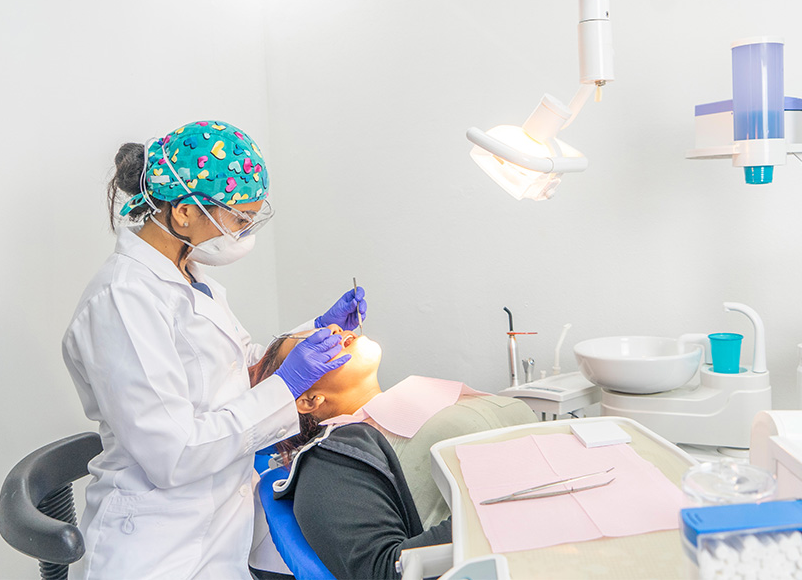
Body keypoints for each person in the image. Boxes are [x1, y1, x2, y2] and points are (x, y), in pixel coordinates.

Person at [62, 121, 367, 579]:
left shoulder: (189, 277)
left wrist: (312, 333)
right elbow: (174, 454)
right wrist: (286, 384)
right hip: (159, 545)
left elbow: (233, 367)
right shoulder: (122, 301)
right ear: (184, 212)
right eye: (240, 219)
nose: (245, 233)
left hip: (220, 522)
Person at [247, 326, 537, 579]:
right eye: (312, 346)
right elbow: (387, 569)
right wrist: (516, 511)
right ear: (309, 400)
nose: (333, 331)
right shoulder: (331, 459)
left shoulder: (417, 403)